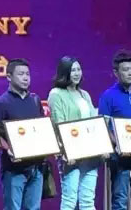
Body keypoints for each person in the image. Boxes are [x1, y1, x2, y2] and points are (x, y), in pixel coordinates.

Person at [98, 50, 131, 210]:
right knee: (120, 201)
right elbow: (104, 127)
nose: (130, 73)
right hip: (120, 158)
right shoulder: (108, 96)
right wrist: (119, 145)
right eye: (126, 69)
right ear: (116, 73)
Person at [0, 58, 44, 210]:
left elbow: (42, 129)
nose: (26, 78)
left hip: (36, 167)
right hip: (14, 170)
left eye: (27, 74)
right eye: (21, 74)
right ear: (9, 77)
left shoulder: (35, 100)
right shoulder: (0, 103)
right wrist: (8, 149)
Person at [47, 56, 98, 210]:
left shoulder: (85, 94)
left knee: (88, 201)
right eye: (72, 70)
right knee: (70, 200)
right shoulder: (56, 94)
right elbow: (58, 124)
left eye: (78, 69)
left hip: (90, 153)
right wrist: (66, 152)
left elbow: (94, 123)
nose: (76, 73)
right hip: (71, 155)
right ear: (64, 73)